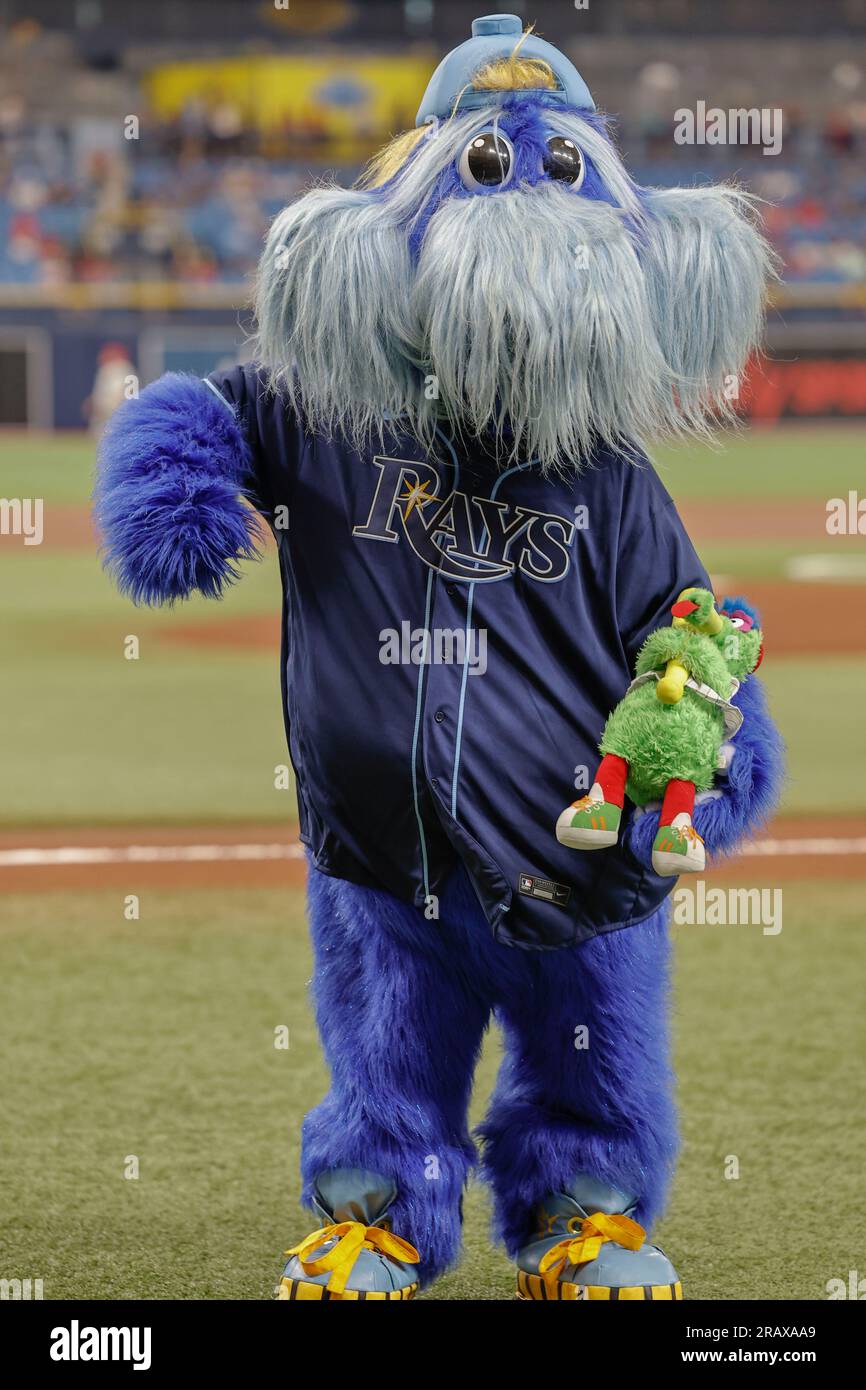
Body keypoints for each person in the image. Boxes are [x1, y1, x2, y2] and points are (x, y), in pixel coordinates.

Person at [95, 14, 783, 1301]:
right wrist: (174, 479)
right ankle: (380, 1216)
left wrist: (712, 766)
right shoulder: (323, 410)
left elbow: (690, 653)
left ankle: (585, 1215)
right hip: (384, 862)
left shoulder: (615, 485)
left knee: (591, 1059)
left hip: (581, 872)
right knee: (385, 1055)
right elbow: (199, 417)